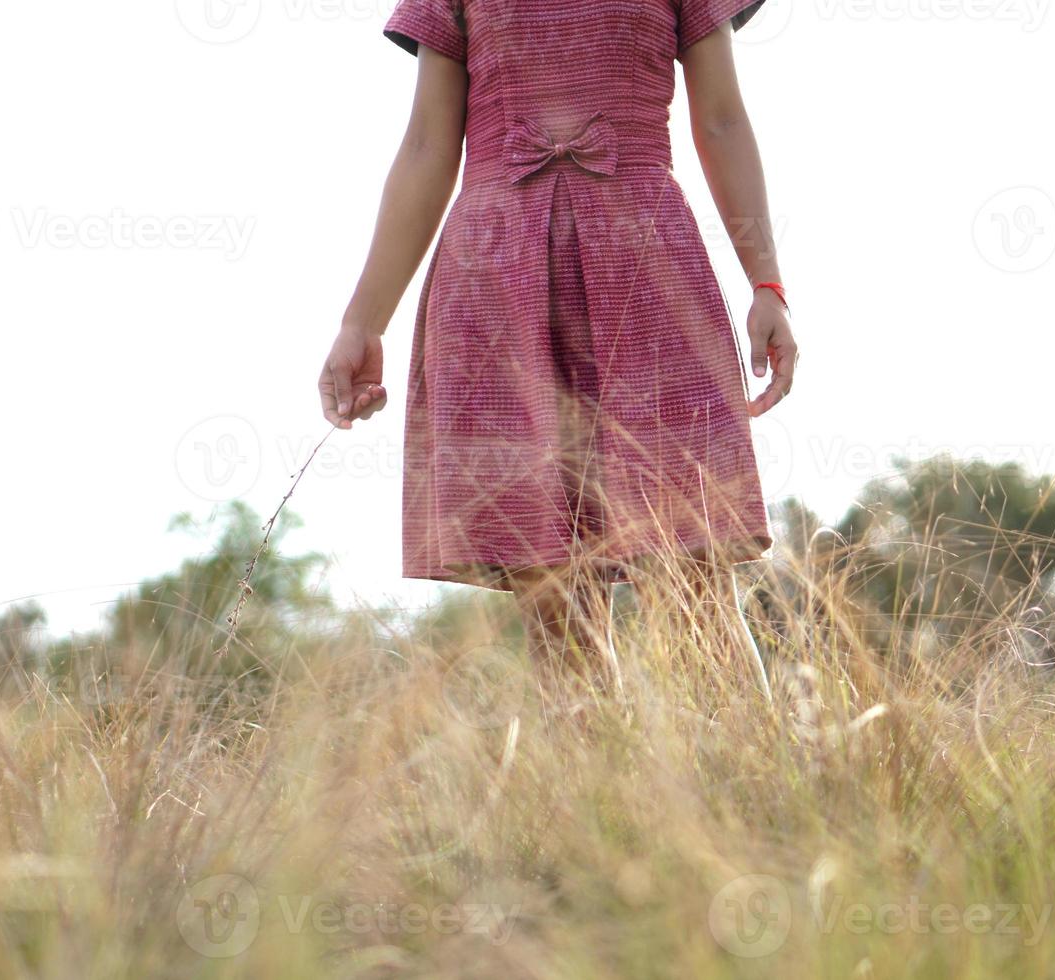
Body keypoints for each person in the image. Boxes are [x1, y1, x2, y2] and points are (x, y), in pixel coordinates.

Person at [319, 0, 797, 706]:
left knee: (691, 570)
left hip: (648, 267)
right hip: (496, 279)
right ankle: (603, 808)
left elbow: (722, 119)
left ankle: (761, 804)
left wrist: (768, 283)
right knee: (553, 594)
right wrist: (363, 322)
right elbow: (426, 144)